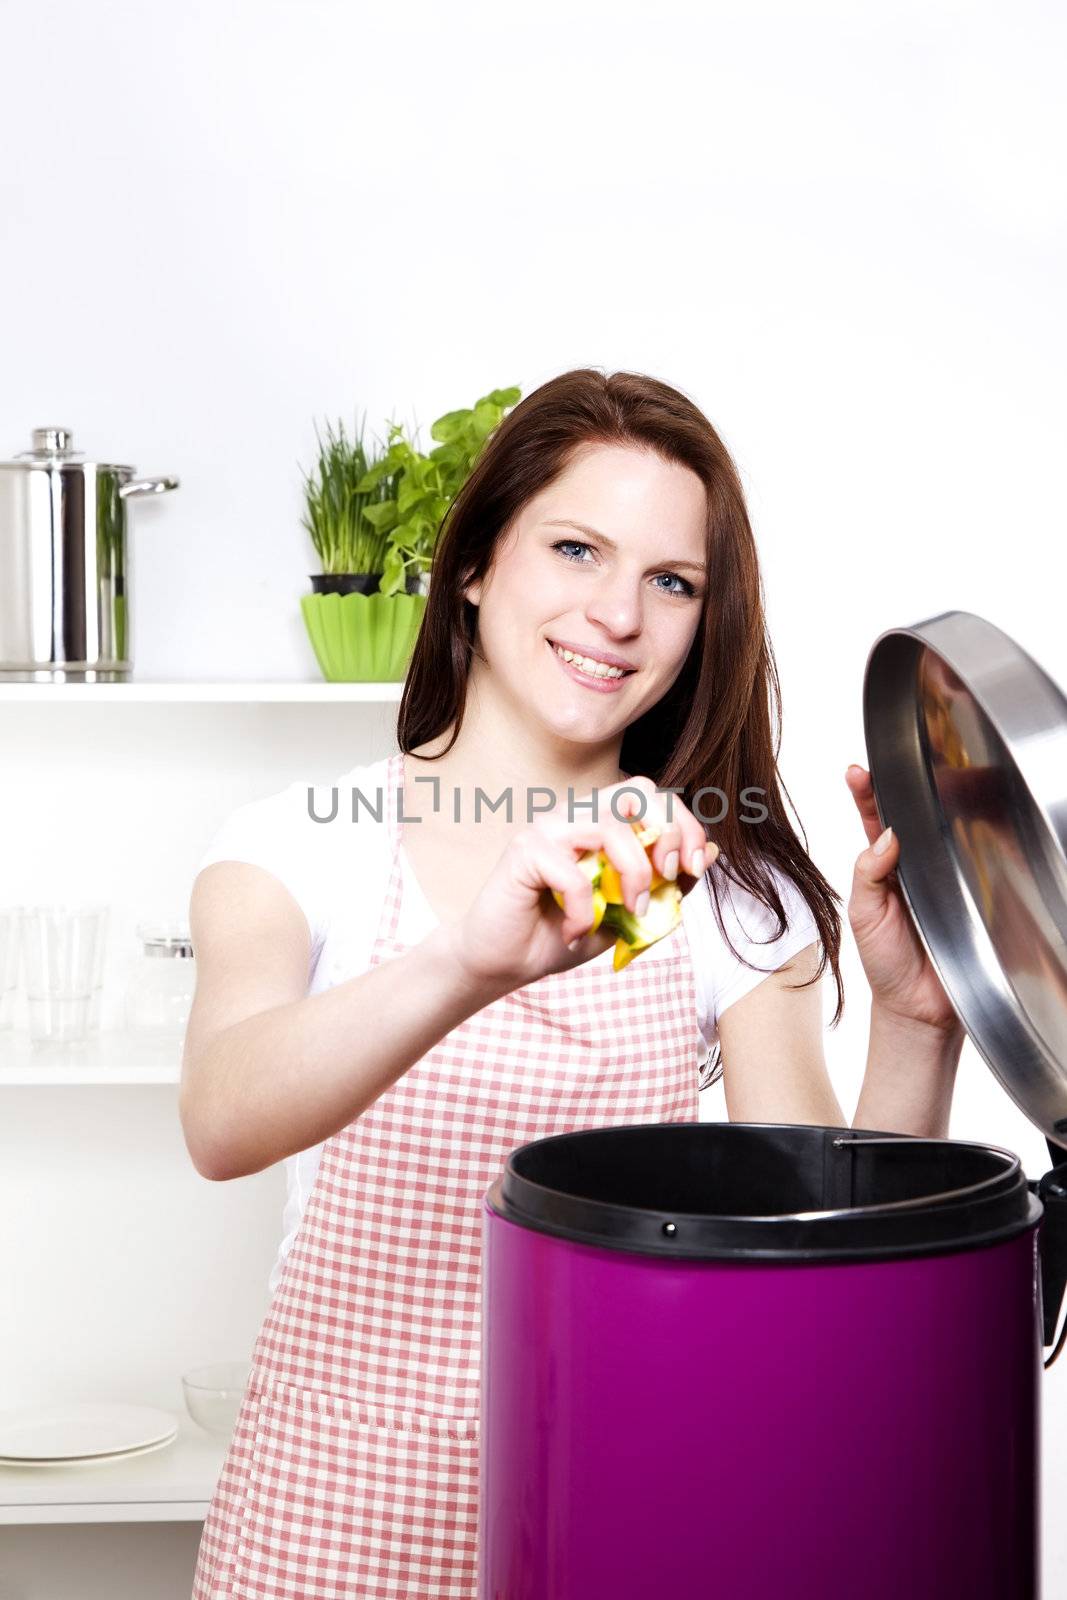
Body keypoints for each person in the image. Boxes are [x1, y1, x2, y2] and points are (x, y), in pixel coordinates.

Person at [182, 368, 965, 1599]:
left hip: (615, 1501)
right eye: (574, 548)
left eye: (672, 582)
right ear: (477, 565)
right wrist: (466, 962)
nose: (617, 613)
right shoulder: (300, 844)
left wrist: (917, 1023)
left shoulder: (720, 888)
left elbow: (831, 1279)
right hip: (328, 1515)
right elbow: (220, 1119)